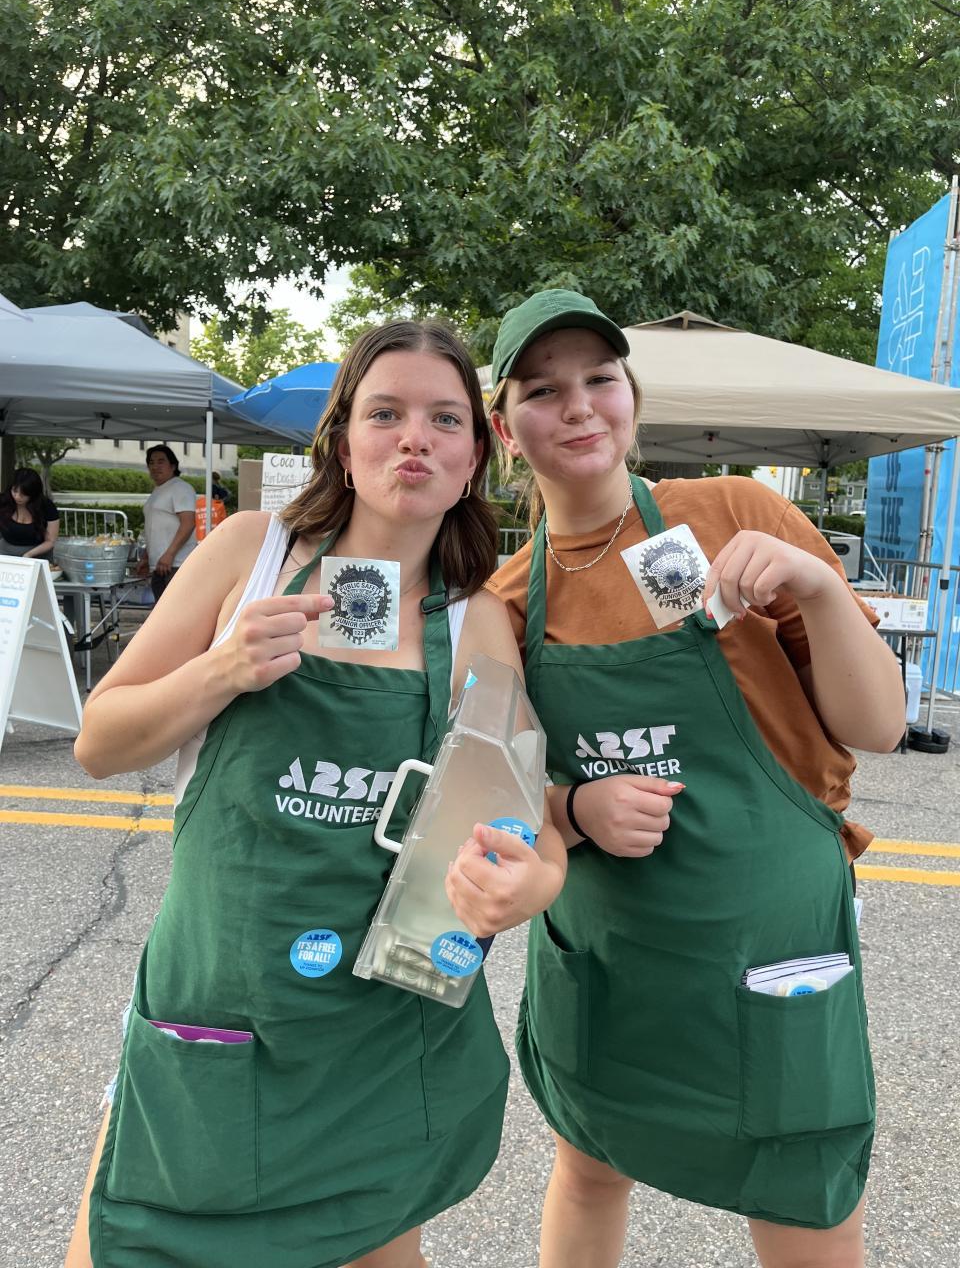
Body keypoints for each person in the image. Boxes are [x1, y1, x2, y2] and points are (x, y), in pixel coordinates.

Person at [66, 320, 566, 1268]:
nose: (413, 438)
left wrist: (526, 887)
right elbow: (100, 742)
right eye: (385, 414)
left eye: (444, 419)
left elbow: (528, 828)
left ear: (474, 459)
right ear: (342, 442)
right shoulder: (250, 554)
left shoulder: (478, 622)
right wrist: (223, 669)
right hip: (221, 1012)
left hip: (380, 1033)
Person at [485, 289, 905, 1268]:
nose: (578, 405)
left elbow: (878, 724)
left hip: (770, 946)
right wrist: (576, 808)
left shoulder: (734, 514)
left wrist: (817, 586)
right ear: (506, 430)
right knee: (590, 1167)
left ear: (632, 397)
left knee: (807, 1193)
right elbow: (493, 800)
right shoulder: (506, 602)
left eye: (599, 378)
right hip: (613, 962)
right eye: (541, 390)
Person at [137, 444, 197, 601]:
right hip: (160, 565)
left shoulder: (180, 488)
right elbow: (154, 527)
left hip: (177, 564)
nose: (155, 466)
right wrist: (146, 557)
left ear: (173, 466)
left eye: (161, 461)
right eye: (151, 462)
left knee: (177, 611)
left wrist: (169, 554)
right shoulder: (159, 490)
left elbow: (188, 523)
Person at [0, 466, 60, 558]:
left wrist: (29, 555)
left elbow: (50, 541)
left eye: (23, 494)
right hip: (5, 554)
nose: (17, 497)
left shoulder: (46, 506)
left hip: (38, 555)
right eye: (14, 491)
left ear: (33, 493)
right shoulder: (4, 501)